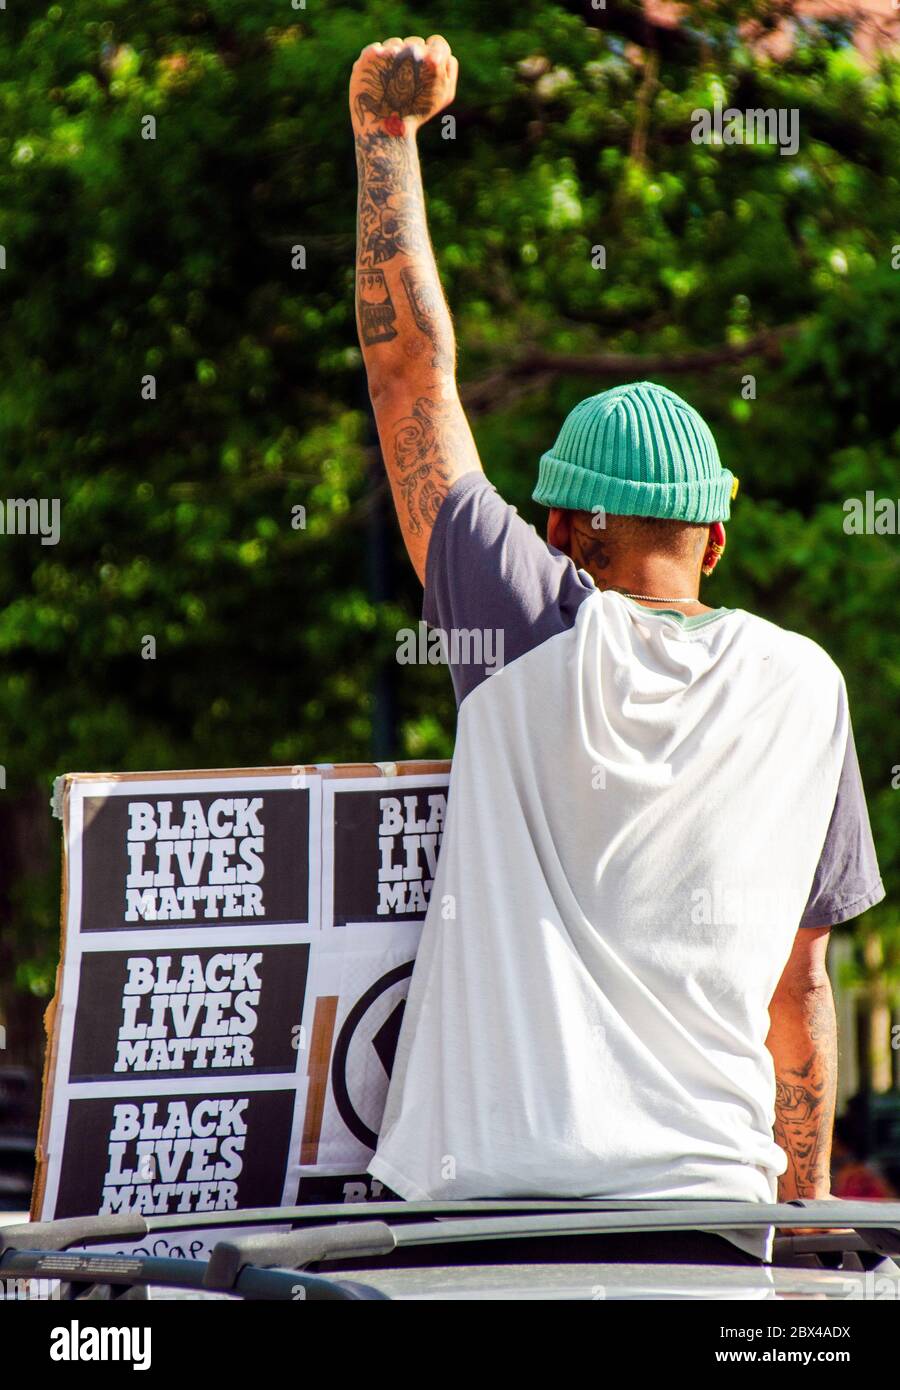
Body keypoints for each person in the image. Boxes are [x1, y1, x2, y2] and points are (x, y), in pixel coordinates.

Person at [349, 36, 885, 1264]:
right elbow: (800, 1003)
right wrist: (791, 1221)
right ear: (719, 534)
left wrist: (386, 137)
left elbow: (407, 370)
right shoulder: (808, 689)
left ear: (558, 531)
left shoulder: (528, 624)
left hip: (478, 1226)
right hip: (711, 1224)